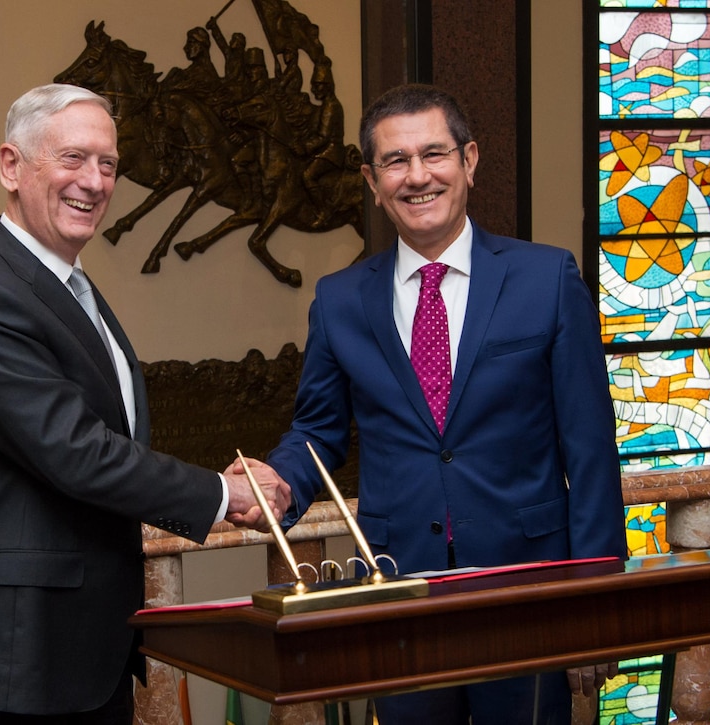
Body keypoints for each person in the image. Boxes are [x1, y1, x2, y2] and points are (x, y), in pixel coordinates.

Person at [0, 83, 289, 725]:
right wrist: (222, 495)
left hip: (81, 650)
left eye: (109, 164)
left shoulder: (69, 287)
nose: (94, 181)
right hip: (17, 657)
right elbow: (75, 451)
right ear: (12, 166)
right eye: (72, 158)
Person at [257, 83, 627, 724]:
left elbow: (592, 452)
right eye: (395, 162)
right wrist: (277, 484)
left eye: (435, 154)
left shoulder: (546, 279)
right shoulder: (340, 300)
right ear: (373, 182)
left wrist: (593, 600)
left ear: (470, 161)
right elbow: (318, 430)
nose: (418, 176)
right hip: (400, 596)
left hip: (529, 593)